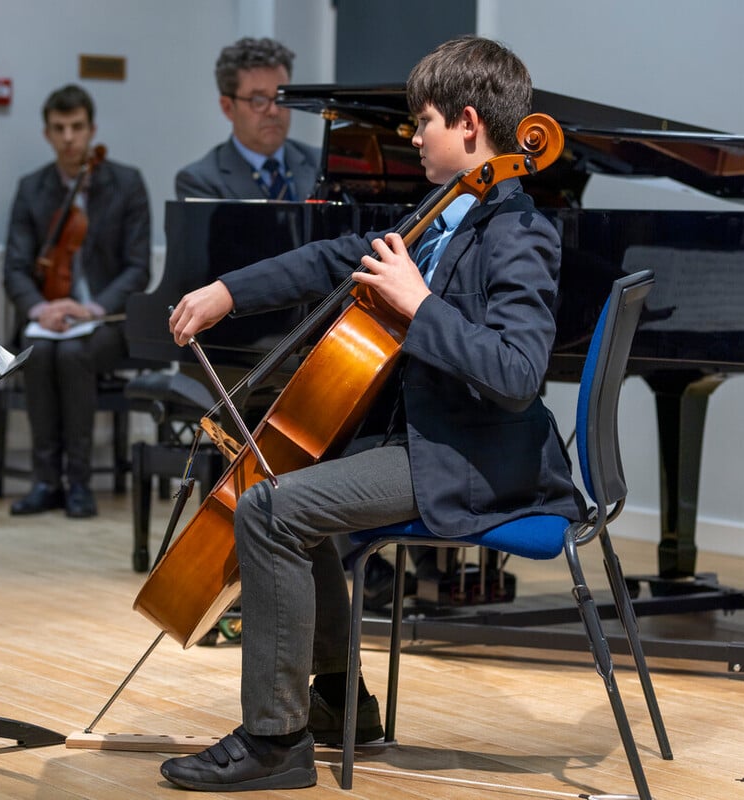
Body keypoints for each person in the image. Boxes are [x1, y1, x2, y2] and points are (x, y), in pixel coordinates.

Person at [157, 36, 586, 791]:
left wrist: (418, 306)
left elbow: (517, 375)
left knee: (270, 510)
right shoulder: (446, 209)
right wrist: (228, 292)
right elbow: (335, 258)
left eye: (424, 122)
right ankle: (337, 701)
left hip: (472, 461)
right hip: (428, 441)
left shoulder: (520, 233)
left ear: (467, 123)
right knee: (298, 489)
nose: (412, 136)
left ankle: (275, 742)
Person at [2, 84, 150, 518]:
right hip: (48, 318)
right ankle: (46, 481)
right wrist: (41, 309)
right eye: (59, 128)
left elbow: (138, 268)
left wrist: (92, 308)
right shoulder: (32, 188)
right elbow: (15, 268)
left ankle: (80, 483)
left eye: (77, 127)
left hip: (106, 320)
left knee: (72, 353)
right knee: (39, 351)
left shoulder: (126, 184)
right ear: (47, 134)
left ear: (92, 129)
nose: (69, 137)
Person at [175, 36, 320, 201]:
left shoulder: (322, 165)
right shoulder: (202, 181)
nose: (274, 111)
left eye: (282, 98)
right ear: (228, 107)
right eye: (258, 100)